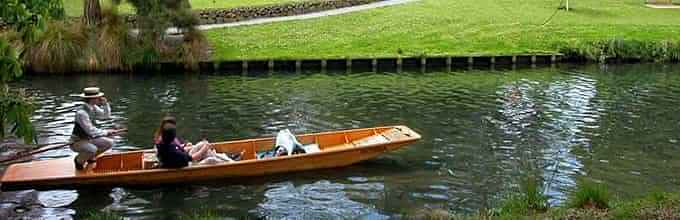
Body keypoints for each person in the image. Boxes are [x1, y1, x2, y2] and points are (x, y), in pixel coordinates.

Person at [70, 87, 125, 170]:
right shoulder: (81, 113)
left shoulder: (93, 107)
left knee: (109, 143)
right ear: (92, 99)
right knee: (92, 149)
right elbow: (90, 131)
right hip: (78, 141)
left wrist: (105, 105)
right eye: (98, 97)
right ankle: (78, 161)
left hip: (89, 138)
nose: (100, 98)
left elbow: (105, 116)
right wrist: (106, 132)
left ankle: (90, 157)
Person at [153, 116, 234, 167]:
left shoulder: (163, 142)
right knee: (211, 160)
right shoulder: (172, 150)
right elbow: (192, 158)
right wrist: (205, 148)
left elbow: (179, 150)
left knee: (201, 145)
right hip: (187, 166)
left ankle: (227, 159)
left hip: (182, 160)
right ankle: (232, 164)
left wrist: (188, 147)